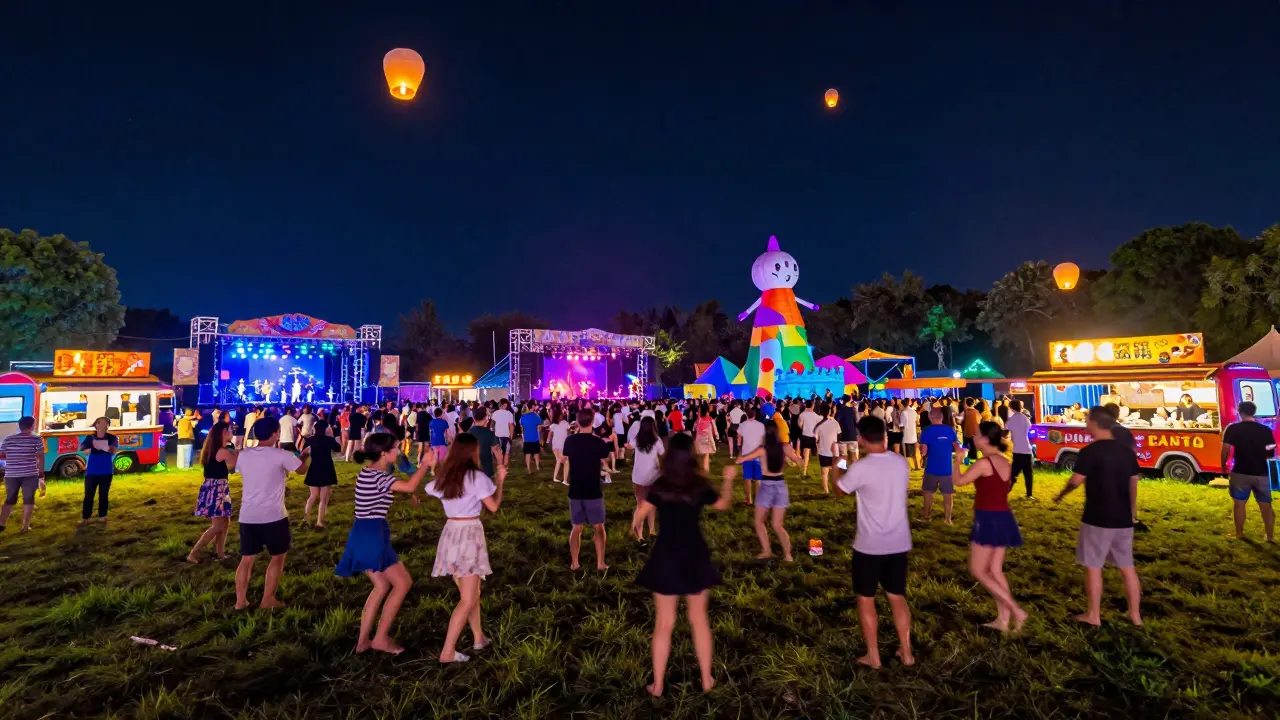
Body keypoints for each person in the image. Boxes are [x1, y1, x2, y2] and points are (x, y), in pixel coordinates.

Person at [632, 433, 737, 697]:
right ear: (691, 456)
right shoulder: (699, 484)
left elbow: (641, 513)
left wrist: (636, 525)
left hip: (666, 555)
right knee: (699, 620)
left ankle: (658, 685)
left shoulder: (661, 484)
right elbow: (723, 505)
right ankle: (706, 678)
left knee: (664, 623)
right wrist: (728, 480)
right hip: (695, 554)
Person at [334, 433, 432, 655]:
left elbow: (391, 491)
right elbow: (407, 487)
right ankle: (380, 638)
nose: (399, 451)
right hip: (372, 535)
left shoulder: (369, 473)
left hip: (363, 532)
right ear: (383, 453)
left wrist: (410, 495)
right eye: (396, 448)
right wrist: (425, 465)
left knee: (382, 586)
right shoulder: (379, 477)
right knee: (403, 583)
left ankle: (363, 642)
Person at [835, 415, 915, 669]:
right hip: (899, 541)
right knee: (897, 596)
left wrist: (841, 464)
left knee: (866, 598)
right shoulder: (901, 463)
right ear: (884, 434)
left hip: (869, 545)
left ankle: (873, 655)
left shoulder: (861, 467)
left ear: (861, 438)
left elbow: (840, 490)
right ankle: (907, 652)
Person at [1053, 406, 1143, 626]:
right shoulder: (1126, 452)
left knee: (1093, 566)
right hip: (1123, 519)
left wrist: (1061, 495)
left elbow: (1075, 481)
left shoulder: (1090, 452)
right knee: (1127, 567)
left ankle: (1093, 615)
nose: (1085, 425)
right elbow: (1133, 483)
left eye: (1087, 421)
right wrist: (1132, 513)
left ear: (1094, 423)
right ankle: (1135, 615)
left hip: (1097, 517)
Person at [424, 433, 505, 663]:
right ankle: (447, 652)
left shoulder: (445, 478)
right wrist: (500, 481)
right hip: (469, 535)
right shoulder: (477, 478)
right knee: (468, 599)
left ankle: (479, 637)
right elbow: (494, 507)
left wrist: (434, 467)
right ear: (473, 452)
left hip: (451, 534)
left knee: (471, 592)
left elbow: (431, 487)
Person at [951, 421, 1028, 633]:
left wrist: (957, 460)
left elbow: (958, 481)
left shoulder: (985, 463)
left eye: (976, 435)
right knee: (995, 570)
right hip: (1004, 517)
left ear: (985, 439)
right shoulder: (1005, 461)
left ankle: (1015, 610)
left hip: (988, 519)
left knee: (978, 569)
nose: (974, 438)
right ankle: (1003, 620)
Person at [234, 417, 311, 610]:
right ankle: (268, 599)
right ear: (276, 433)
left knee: (246, 559)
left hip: (248, 515)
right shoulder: (281, 455)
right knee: (278, 557)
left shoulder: (244, 455)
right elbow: (301, 471)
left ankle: (240, 601)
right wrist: (305, 455)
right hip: (273, 516)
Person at [737, 421, 799, 561]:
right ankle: (788, 555)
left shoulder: (762, 450)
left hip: (766, 486)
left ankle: (767, 550)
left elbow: (743, 459)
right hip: (781, 486)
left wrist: (739, 457)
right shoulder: (784, 447)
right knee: (777, 525)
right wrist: (797, 461)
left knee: (759, 521)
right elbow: (797, 460)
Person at [563, 409, 612, 571]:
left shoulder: (570, 441)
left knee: (576, 527)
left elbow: (566, 458)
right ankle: (600, 563)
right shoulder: (598, 443)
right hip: (593, 489)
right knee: (599, 527)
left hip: (575, 489)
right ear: (592, 422)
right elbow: (605, 456)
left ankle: (575, 563)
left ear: (577, 422)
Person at [1221, 401, 1276, 542]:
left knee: (1239, 504)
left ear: (1239, 412)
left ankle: (1239, 533)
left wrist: (1224, 466)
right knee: (1266, 506)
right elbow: (1271, 452)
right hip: (1261, 473)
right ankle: (1269, 536)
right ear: (1254, 412)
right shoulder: (1265, 430)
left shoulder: (1232, 429)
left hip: (1240, 471)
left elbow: (1225, 449)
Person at [187, 422, 237, 562]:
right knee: (218, 525)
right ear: (222, 433)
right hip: (216, 490)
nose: (232, 432)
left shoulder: (217, 449)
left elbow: (231, 468)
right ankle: (193, 554)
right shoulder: (222, 451)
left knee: (225, 522)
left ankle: (220, 553)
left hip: (218, 488)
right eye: (229, 430)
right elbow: (235, 463)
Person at [0, 416, 46, 532]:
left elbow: (1, 455)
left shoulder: (8, 439)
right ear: (32, 426)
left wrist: (14, 456)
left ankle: (2, 522)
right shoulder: (36, 439)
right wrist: (41, 473)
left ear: (19, 426)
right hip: (30, 473)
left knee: (9, 499)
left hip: (11, 474)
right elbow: (41, 456)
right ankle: (25, 526)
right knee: (28, 499)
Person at [918, 408, 961, 524]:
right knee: (948, 494)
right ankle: (947, 519)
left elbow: (924, 451)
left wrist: (921, 454)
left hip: (931, 468)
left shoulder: (926, 431)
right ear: (942, 417)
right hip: (947, 469)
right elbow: (957, 447)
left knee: (928, 493)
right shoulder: (950, 430)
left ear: (930, 417)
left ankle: (926, 517)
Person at [627, 416, 664, 540]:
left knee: (640, 505)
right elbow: (663, 454)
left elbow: (629, 446)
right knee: (652, 505)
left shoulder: (637, 439)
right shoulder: (657, 440)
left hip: (638, 477)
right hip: (653, 476)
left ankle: (640, 535)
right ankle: (652, 531)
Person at [79, 417, 118, 524]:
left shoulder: (112, 438)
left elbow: (114, 451)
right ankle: (85, 517)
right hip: (92, 470)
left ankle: (102, 515)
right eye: (100, 423)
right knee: (88, 494)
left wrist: (109, 448)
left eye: (105, 423)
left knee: (103, 494)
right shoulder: (90, 437)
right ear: (96, 424)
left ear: (107, 426)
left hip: (106, 470)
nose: (102, 425)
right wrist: (88, 449)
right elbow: (82, 448)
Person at [304, 420, 342, 527]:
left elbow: (304, 450)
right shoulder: (329, 440)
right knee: (323, 498)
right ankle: (319, 521)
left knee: (313, 496)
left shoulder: (311, 440)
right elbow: (338, 449)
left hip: (314, 468)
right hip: (326, 468)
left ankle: (306, 518)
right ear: (326, 429)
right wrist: (332, 436)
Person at [736, 406, 767, 505]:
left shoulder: (742, 425)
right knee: (758, 478)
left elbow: (739, 441)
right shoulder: (761, 425)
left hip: (746, 454)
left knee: (747, 478)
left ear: (747, 414)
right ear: (755, 415)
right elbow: (763, 441)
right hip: (757, 454)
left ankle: (748, 499)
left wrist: (740, 449)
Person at [1005, 399, 1034, 499]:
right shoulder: (1025, 418)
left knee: (1013, 473)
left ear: (1011, 408)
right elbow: (1029, 431)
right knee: (1028, 473)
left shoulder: (1011, 419)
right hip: (1027, 449)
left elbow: (1005, 433)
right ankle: (1029, 494)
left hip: (1017, 450)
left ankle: (1005, 492)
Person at [465, 407, 502, 479]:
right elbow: (496, 450)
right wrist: (500, 465)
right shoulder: (489, 433)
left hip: (471, 469)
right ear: (486, 418)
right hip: (486, 469)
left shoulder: (469, 432)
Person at [814, 402, 841, 494]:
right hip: (834, 451)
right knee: (834, 471)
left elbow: (816, 438)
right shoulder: (835, 423)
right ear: (829, 412)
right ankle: (836, 488)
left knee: (824, 472)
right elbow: (839, 435)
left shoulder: (819, 425)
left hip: (823, 451)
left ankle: (826, 490)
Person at [547, 407, 572, 485]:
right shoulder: (565, 423)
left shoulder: (553, 425)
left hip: (555, 445)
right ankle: (564, 480)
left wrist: (548, 440)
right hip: (561, 445)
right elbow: (569, 431)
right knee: (566, 462)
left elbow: (549, 434)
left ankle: (555, 477)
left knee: (558, 460)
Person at [797, 400, 821, 477]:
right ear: (813, 405)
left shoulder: (802, 415)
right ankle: (821, 471)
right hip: (813, 437)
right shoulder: (816, 416)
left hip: (805, 436)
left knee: (806, 455)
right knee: (818, 454)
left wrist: (805, 428)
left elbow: (800, 425)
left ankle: (804, 472)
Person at [519, 403, 543, 475]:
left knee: (528, 454)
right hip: (535, 438)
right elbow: (539, 426)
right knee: (536, 454)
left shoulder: (523, 417)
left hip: (527, 438)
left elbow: (522, 427)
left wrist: (522, 435)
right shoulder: (536, 416)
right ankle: (538, 467)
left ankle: (528, 468)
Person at [692, 405, 717, 473]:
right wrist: (717, 435)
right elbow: (715, 429)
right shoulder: (710, 419)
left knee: (700, 456)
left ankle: (700, 469)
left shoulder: (699, 420)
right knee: (706, 455)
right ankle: (706, 470)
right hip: (707, 440)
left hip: (699, 440)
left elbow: (694, 428)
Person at [491, 399, 515, 468]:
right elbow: (511, 426)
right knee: (506, 452)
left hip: (497, 435)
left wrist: (493, 431)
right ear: (506, 405)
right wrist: (511, 436)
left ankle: (500, 465)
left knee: (499, 452)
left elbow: (492, 425)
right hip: (506, 435)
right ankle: (504, 466)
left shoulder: (495, 413)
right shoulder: (509, 414)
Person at [835, 396, 859, 462]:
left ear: (842, 401)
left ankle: (844, 471)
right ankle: (855, 471)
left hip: (843, 436)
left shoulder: (839, 411)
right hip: (852, 435)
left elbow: (837, 422)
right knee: (854, 456)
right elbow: (857, 421)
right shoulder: (852, 410)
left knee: (843, 456)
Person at [899, 400, 919, 470]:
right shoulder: (913, 411)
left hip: (906, 435)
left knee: (906, 453)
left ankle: (909, 467)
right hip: (913, 435)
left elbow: (902, 424)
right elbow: (916, 421)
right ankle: (916, 466)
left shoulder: (903, 413)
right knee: (913, 454)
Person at [961, 398, 981, 463]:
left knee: (965, 445)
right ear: (973, 403)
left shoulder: (965, 411)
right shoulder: (976, 412)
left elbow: (960, 420)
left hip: (966, 431)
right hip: (974, 432)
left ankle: (964, 458)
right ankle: (973, 458)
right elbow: (979, 420)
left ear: (966, 403)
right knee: (974, 446)